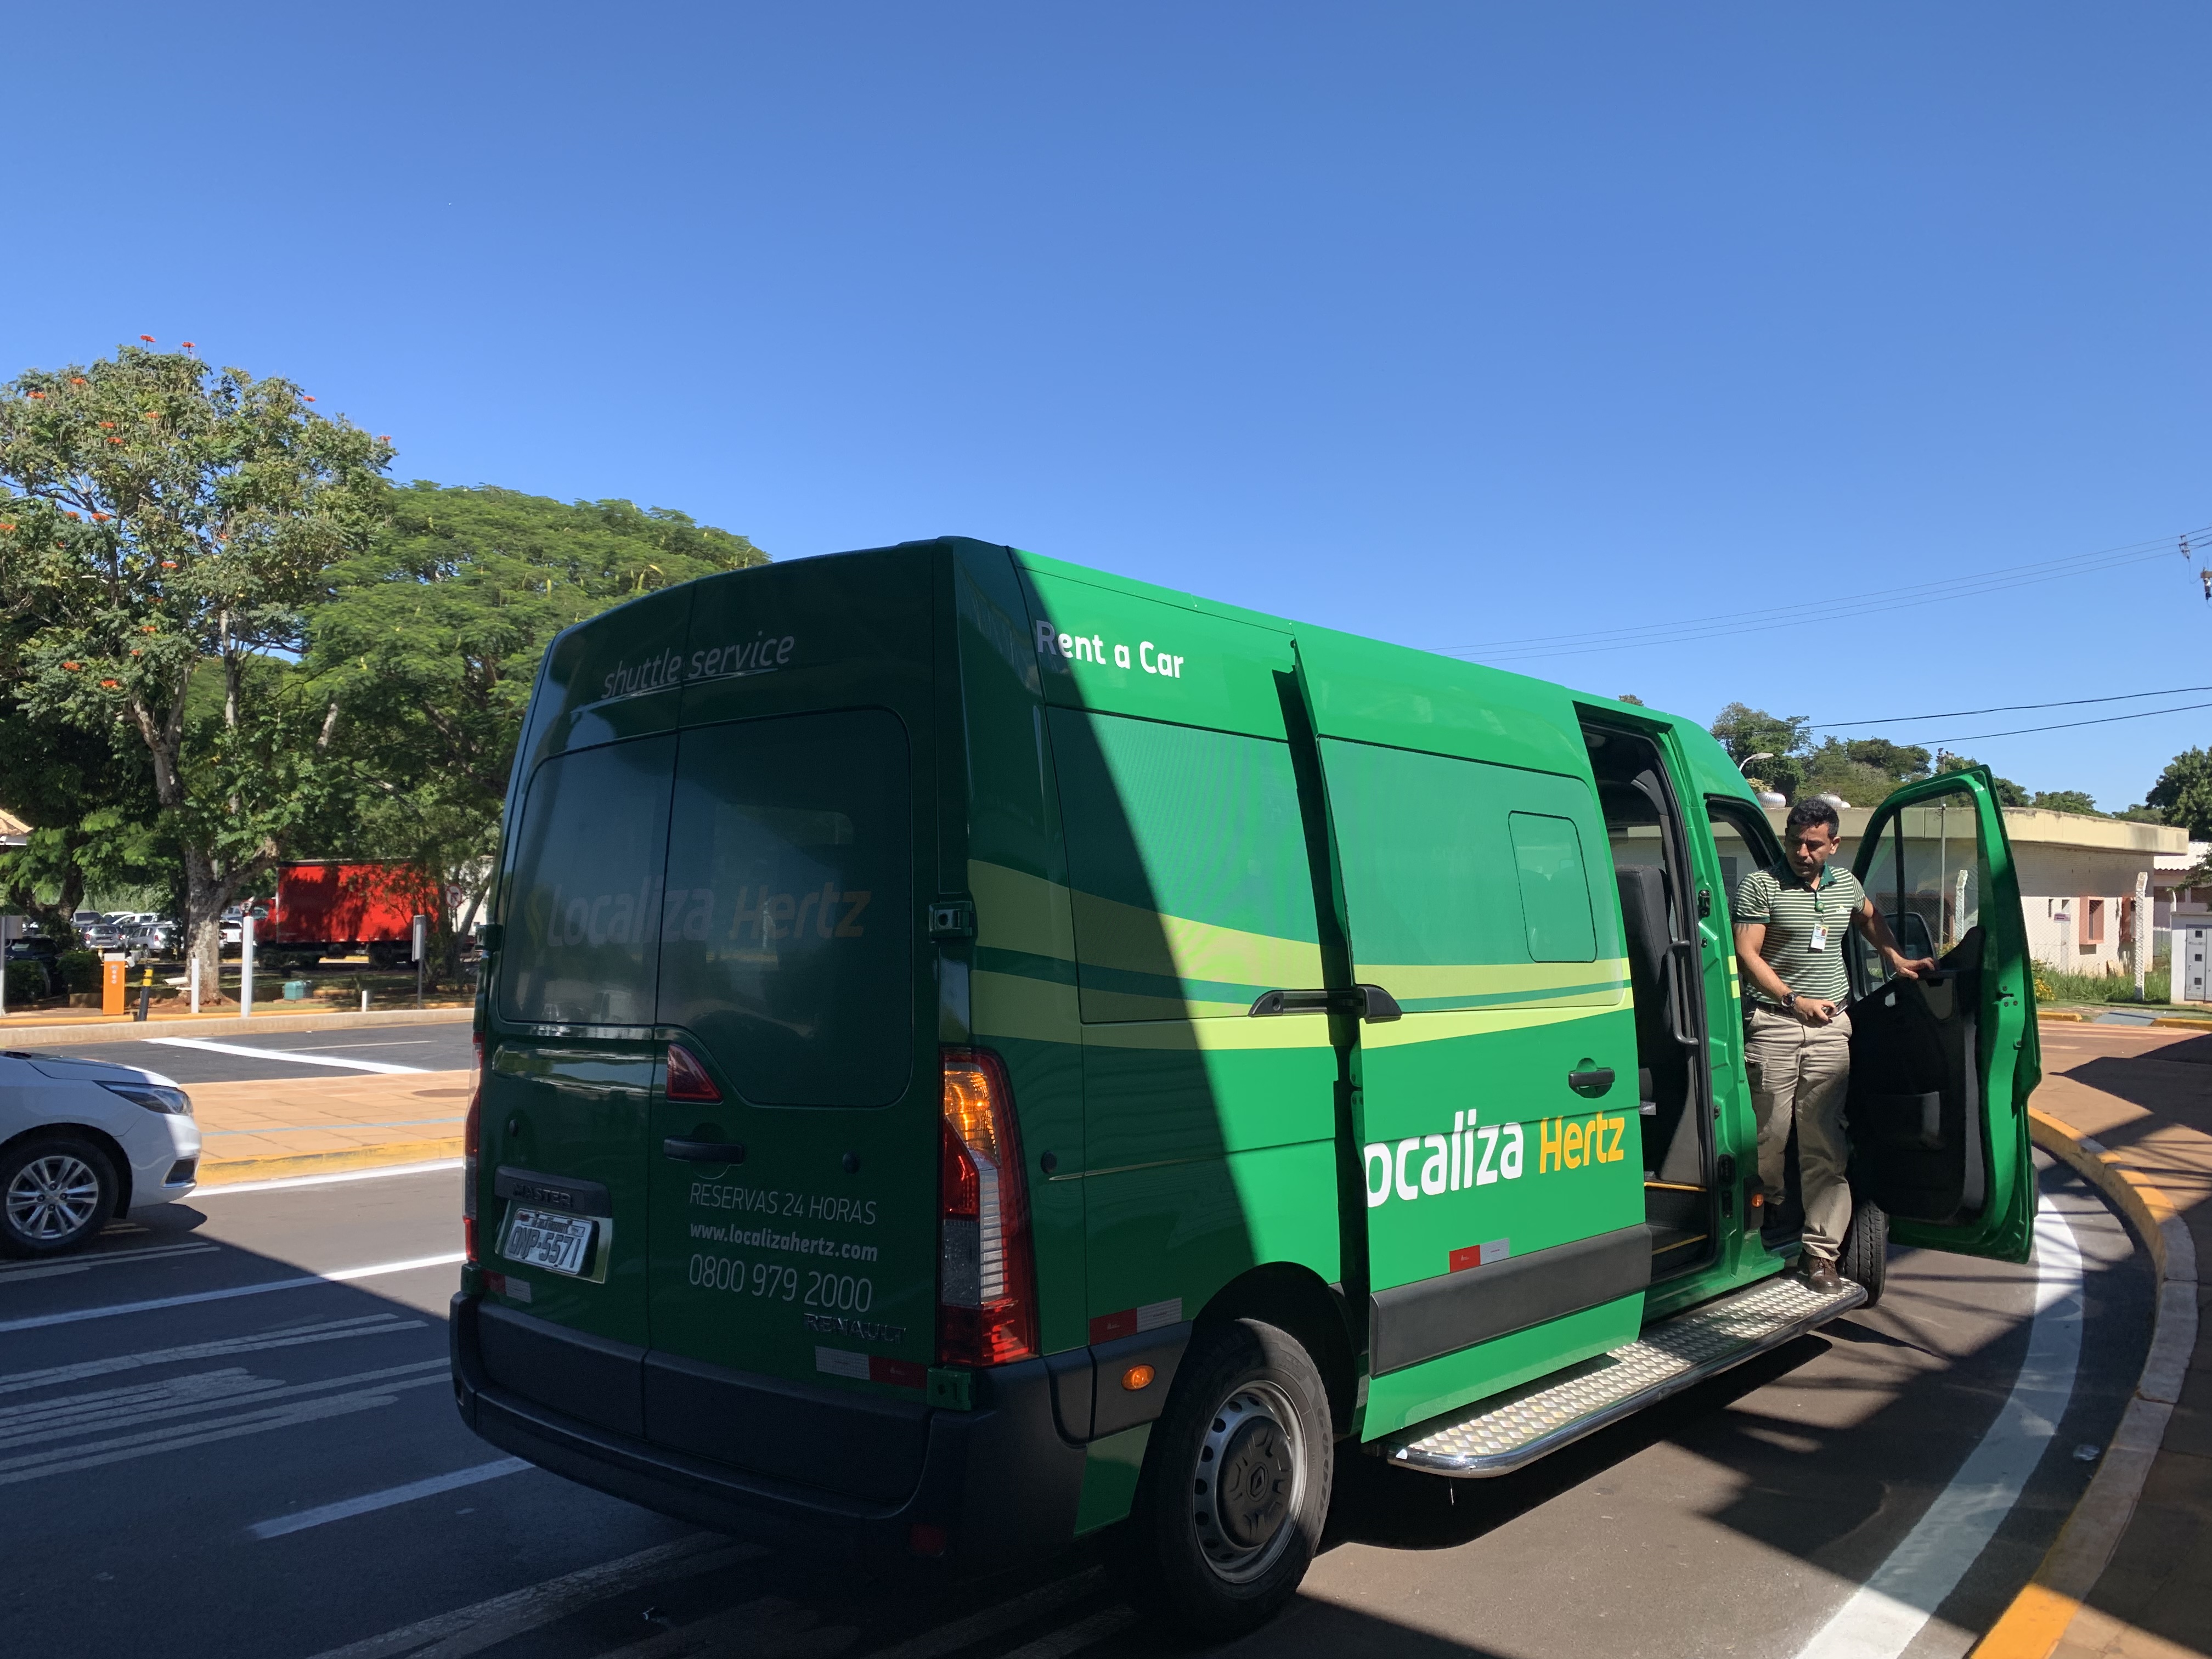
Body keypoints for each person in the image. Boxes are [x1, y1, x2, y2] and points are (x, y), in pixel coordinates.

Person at [1732, 797, 1936, 1293]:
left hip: (1832, 1029)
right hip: (1776, 1024)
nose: (1802, 852)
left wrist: (1896, 959)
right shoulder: (1762, 885)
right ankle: (1770, 1205)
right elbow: (1745, 952)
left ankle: (1820, 1254)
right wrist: (1792, 998)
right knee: (1769, 1136)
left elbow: (1869, 918)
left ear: (1833, 845)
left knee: (1826, 1142)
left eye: (1813, 844)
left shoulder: (1845, 884)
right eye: (1794, 842)